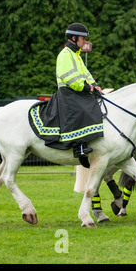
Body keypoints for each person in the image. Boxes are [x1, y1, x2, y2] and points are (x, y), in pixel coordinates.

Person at [55, 22, 104, 168]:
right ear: (74, 38)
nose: (85, 41)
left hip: (78, 91)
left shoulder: (76, 56)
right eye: (83, 38)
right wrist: (88, 87)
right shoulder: (65, 55)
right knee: (83, 109)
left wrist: (95, 86)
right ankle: (79, 147)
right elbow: (70, 79)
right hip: (69, 93)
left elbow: (86, 74)